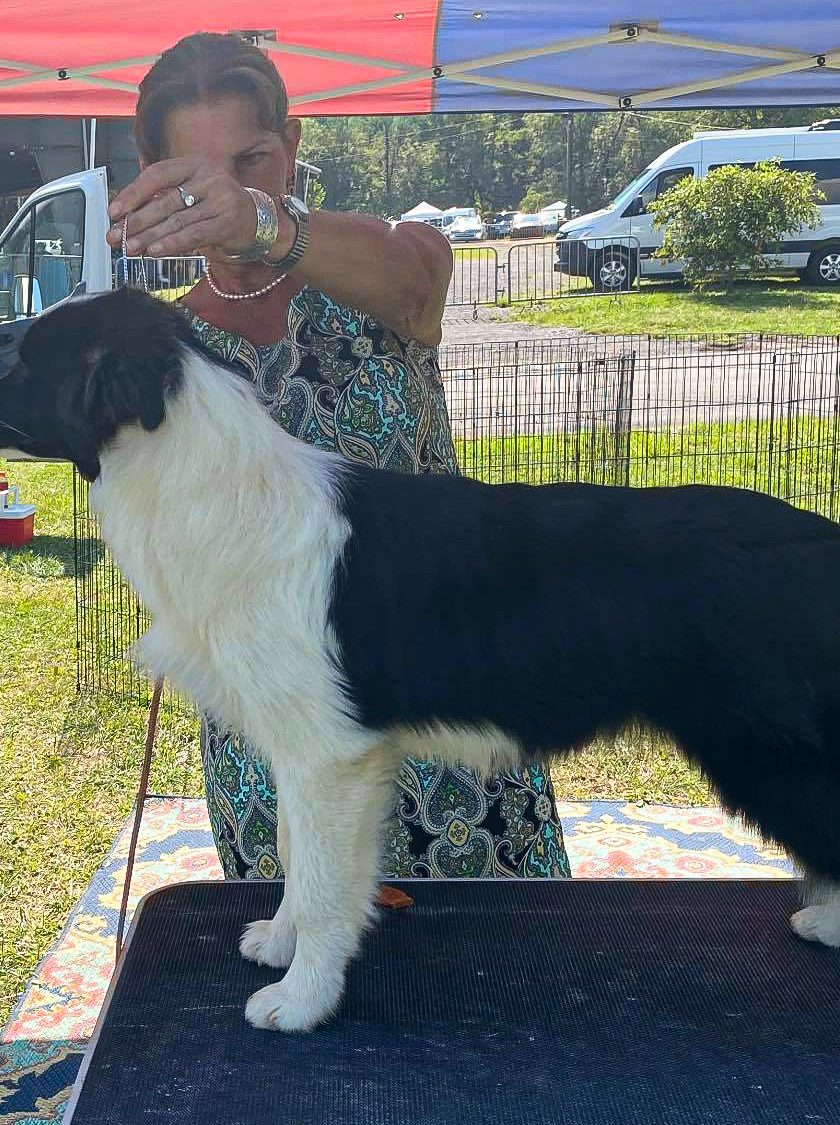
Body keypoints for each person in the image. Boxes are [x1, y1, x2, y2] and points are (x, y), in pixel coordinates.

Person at [110, 33, 570, 881]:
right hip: (281, 737)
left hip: (450, 698)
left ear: (292, 145)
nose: (226, 191)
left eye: (251, 160)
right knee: (304, 947)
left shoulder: (379, 271)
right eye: (195, 175)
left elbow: (416, 280)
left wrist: (262, 225)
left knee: (502, 950)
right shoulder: (162, 350)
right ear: (150, 173)